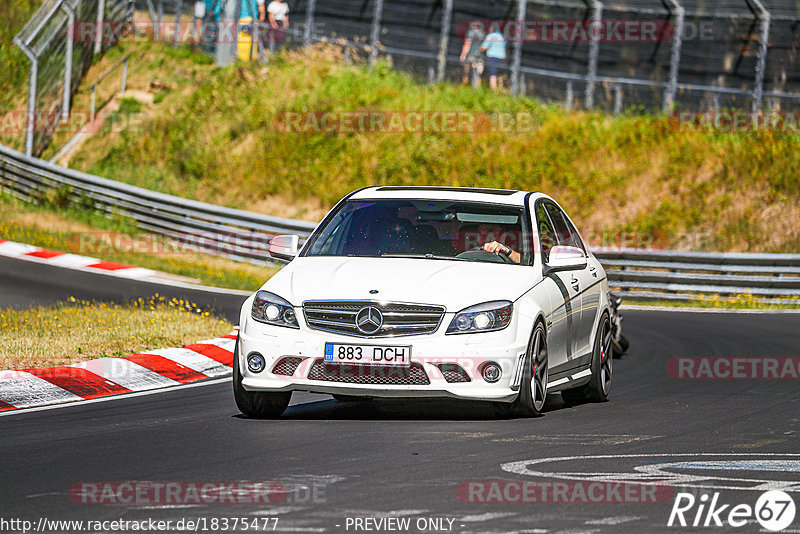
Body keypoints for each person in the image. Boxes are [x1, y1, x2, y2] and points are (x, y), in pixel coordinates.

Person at [480, 26, 506, 91]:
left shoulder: (490, 36)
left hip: (492, 58)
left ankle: (494, 93)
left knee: (493, 75)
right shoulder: (503, 36)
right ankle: (501, 90)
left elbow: (483, 48)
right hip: (501, 59)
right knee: (500, 76)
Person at [459, 22, 485, 86]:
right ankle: (477, 91)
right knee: (478, 75)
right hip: (480, 57)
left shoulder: (470, 33)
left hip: (470, 56)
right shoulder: (483, 34)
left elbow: (467, 44)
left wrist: (463, 55)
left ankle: (465, 88)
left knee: (466, 73)